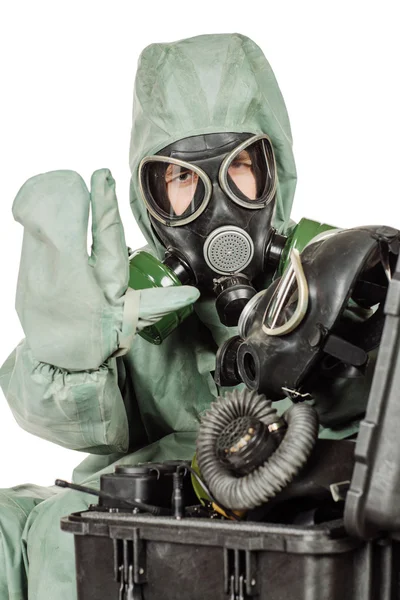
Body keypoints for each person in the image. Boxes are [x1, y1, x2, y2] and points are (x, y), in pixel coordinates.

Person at [0, 33, 360, 600]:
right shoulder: (124, 305)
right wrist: (63, 357)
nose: (218, 207)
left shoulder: (339, 279)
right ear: (153, 205)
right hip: (141, 512)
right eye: (182, 179)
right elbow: (66, 419)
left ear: (275, 172)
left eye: (241, 166)